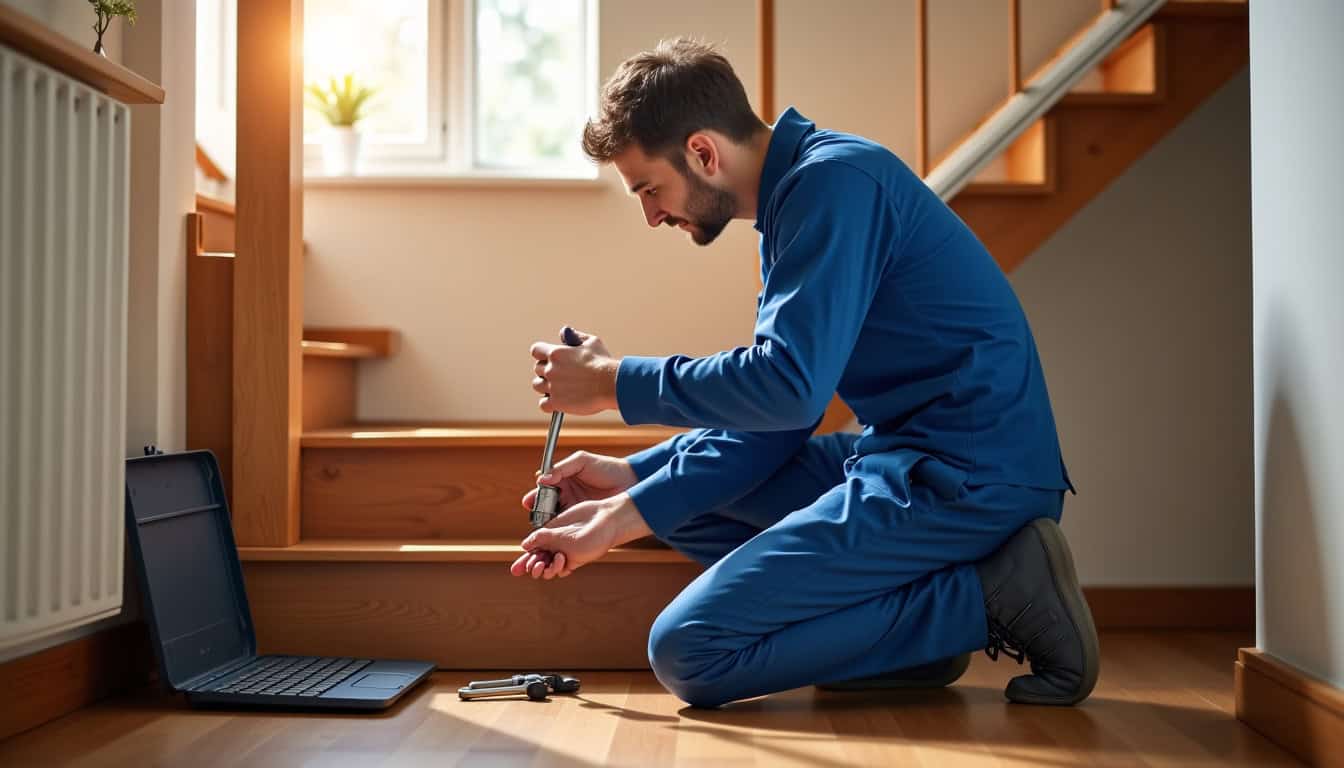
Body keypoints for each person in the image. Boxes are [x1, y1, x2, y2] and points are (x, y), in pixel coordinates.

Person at [511, 37, 1098, 709]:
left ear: (702, 152)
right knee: (684, 507)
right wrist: (636, 480)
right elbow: (776, 415)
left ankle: (989, 597)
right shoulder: (797, 200)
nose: (652, 215)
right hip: (906, 458)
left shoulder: (835, 185)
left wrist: (614, 383)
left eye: (650, 188)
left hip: (970, 479)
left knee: (689, 651)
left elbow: (787, 387)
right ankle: (916, 648)